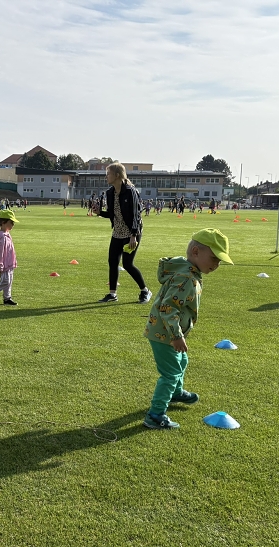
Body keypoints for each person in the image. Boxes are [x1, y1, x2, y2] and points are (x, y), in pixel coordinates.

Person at [143, 228, 233, 429]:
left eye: (219, 261)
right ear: (195, 252)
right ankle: (155, 414)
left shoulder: (189, 272)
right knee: (171, 373)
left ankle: (175, 392)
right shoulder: (186, 278)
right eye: (214, 258)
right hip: (165, 332)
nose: (216, 265)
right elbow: (168, 308)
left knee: (182, 361)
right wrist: (176, 335)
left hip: (169, 331)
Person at [97, 162, 152, 304]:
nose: (106, 177)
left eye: (108, 173)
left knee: (127, 264)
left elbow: (136, 215)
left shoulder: (130, 191)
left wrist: (133, 235)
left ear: (117, 175)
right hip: (117, 232)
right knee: (113, 262)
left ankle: (145, 291)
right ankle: (112, 294)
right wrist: (99, 213)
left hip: (131, 232)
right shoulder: (109, 193)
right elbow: (112, 214)